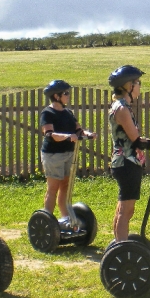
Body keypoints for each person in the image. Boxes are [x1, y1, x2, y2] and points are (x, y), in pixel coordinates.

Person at [107, 65, 150, 242]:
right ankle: (121, 249)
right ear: (127, 86)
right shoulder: (122, 109)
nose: (139, 86)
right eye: (137, 82)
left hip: (126, 162)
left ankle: (118, 245)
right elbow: (137, 141)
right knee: (126, 210)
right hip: (126, 163)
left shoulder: (122, 107)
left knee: (124, 207)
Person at [39, 80, 96, 229]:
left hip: (68, 153)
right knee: (53, 188)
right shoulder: (48, 113)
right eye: (66, 93)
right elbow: (49, 134)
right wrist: (67, 136)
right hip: (53, 155)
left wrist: (88, 134)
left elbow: (78, 130)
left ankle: (65, 220)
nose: (68, 96)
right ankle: (47, 221)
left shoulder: (68, 112)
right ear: (56, 96)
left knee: (65, 186)